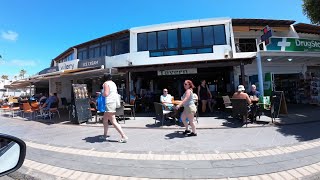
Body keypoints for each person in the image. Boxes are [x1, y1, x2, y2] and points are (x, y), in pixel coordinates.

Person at [102, 74, 128, 143]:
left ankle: (123, 136)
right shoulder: (113, 84)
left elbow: (106, 94)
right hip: (113, 102)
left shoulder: (106, 83)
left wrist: (101, 94)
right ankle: (104, 135)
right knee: (105, 119)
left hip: (109, 103)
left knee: (113, 121)